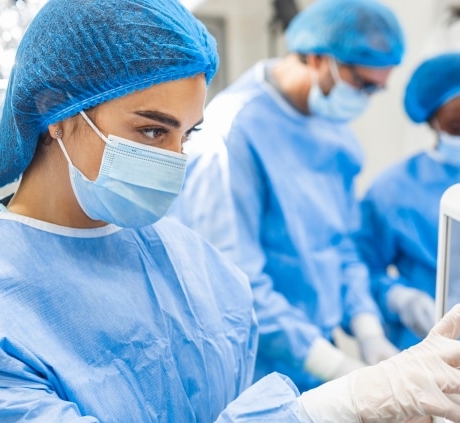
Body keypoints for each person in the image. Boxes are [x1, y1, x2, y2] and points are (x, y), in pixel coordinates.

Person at [0, 0, 460, 421]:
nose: (175, 158)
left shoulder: (196, 268)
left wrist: (365, 341)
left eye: (187, 134)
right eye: (151, 132)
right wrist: (325, 404)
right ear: (60, 113)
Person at [168, 0, 403, 390]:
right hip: (250, 363)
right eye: (361, 83)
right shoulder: (233, 133)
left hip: (314, 350)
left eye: (376, 90)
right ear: (315, 58)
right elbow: (235, 283)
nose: (364, 98)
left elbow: (341, 245)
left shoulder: (335, 133)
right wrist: (337, 367)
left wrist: (369, 331)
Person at [355, 52, 460, 350]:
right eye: (457, 127)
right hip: (422, 342)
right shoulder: (393, 188)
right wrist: (400, 298)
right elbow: (361, 268)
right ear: (433, 122)